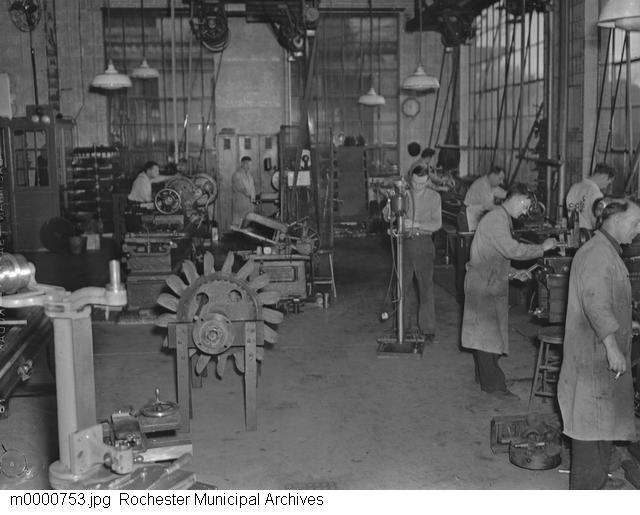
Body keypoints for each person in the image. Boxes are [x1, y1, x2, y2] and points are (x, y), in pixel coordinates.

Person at [557, 197, 640, 489]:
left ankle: (597, 483)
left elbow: (606, 299)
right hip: (594, 356)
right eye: (635, 223)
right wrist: (613, 347)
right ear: (615, 220)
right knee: (591, 433)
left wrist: (627, 325)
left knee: (601, 427)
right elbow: (595, 304)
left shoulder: (606, 250)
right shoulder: (597, 254)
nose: (638, 230)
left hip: (597, 352)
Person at [461, 183, 557, 397]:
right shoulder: (497, 219)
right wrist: (542, 248)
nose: (525, 212)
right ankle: (494, 385)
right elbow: (511, 249)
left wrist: (513, 273)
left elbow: (494, 255)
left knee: (486, 334)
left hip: (488, 279)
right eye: (525, 207)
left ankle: (484, 377)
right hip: (484, 284)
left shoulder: (500, 217)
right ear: (520, 200)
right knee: (487, 335)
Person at [401, 164, 442, 340]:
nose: (418, 186)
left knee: (425, 287)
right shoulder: (404, 194)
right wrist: (390, 205)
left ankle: (428, 328)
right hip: (404, 244)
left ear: (428, 181)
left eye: (422, 183)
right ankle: (403, 327)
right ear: (410, 180)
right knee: (402, 287)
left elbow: (437, 224)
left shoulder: (434, 197)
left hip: (423, 243)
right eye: (415, 183)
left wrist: (416, 224)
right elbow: (389, 216)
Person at [565, 164, 615, 232]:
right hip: (589, 234)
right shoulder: (596, 193)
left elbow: (570, 210)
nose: (606, 187)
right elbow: (597, 221)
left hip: (572, 232)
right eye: (608, 183)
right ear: (604, 177)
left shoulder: (574, 187)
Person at [463, 166, 508, 231]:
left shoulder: (490, 184)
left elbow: (503, 193)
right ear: (492, 175)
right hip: (469, 217)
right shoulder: (483, 184)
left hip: (476, 216)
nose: (501, 182)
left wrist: (513, 194)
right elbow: (489, 206)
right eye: (500, 179)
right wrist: (505, 209)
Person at [232, 156, 256, 226]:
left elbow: (253, 189)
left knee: (248, 224)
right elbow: (241, 188)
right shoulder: (237, 175)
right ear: (242, 164)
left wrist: (253, 200)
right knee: (238, 224)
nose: (248, 166)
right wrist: (249, 194)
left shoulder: (250, 176)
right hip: (240, 204)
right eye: (247, 164)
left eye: (250, 164)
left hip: (249, 205)